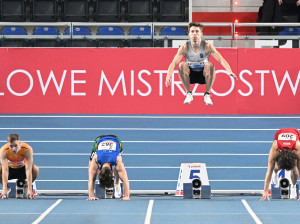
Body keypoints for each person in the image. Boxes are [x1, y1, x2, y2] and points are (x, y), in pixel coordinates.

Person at [165, 21, 237, 106]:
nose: (194, 34)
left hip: (204, 76)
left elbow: (221, 60)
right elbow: (174, 63)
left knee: (210, 65)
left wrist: (229, 71)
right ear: (189, 34)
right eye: (192, 31)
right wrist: (168, 76)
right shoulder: (184, 47)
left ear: (201, 34)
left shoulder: (207, 46)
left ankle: (207, 94)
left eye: (197, 31)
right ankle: (188, 93)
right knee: (182, 65)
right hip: (190, 76)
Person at [260, 128, 300, 201]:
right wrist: (265, 191)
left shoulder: (298, 150)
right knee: (275, 167)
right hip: (280, 134)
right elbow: (269, 170)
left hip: (295, 134)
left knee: (294, 170)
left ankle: (293, 186)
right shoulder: (275, 149)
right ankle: (275, 174)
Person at [87, 135, 130, 201]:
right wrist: (91, 196)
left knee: (118, 170)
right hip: (99, 140)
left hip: (116, 140)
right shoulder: (95, 158)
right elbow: (91, 180)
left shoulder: (117, 160)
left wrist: (127, 196)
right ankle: (104, 179)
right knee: (91, 166)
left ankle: (117, 183)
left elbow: (125, 180)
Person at [0, 133, 39, 199]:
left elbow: (28, 169)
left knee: (35, 169)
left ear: (20, 143)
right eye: (11, 146)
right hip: (10, 170)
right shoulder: (4, 150)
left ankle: (26, 187)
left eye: (15, 146)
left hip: (22, 169)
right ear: (8, 145)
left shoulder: (27, 149)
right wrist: (4, 189)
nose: (13, 149)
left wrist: (30, 189)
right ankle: (7, 187)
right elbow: (5, 170)